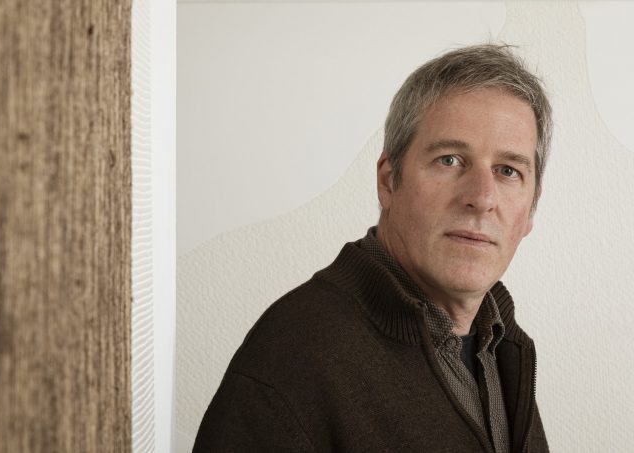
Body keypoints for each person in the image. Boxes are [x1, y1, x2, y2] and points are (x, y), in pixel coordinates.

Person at [194, 44, 552, 453]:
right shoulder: (294, 358)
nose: (482, 197)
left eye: (508, 171)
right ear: (388, 181)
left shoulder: (501, 347)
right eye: (450, 160)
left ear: (530, 210)